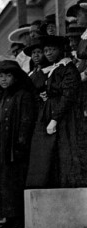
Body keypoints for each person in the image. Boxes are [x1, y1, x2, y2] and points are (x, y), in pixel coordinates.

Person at [27, 35, 87, 189]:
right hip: (51, 111)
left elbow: (68, 96)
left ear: (61, 50)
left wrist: (54, 119)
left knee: (66, 150)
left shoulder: (68, 68)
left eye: (52, 50)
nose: (48, 53)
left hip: (65, 117)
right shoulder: (54, 69)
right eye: (46, 50)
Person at [0, 60, 37, 228]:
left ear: (15, 77)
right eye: (1, 76)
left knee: (14, 181)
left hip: (15, 145)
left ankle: (17, 219)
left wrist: (20, 145)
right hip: (0, 143)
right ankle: (6, 217)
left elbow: (26, 122)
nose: (4, 79)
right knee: (1, 181)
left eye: (8, 75)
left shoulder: (23, 95)